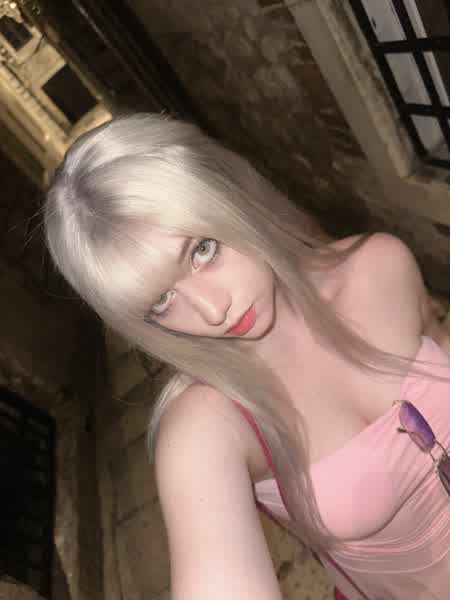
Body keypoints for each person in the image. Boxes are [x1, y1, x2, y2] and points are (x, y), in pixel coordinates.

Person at [44, 113, 450, 599]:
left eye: (202, 250)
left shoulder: (380, 263)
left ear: (229, 194)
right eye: (161, 302)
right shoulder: (206, 427)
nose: (212, 310)